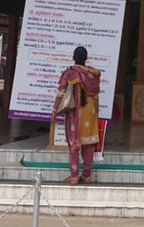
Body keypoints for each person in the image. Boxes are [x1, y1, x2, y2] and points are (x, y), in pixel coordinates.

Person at [54, 46, 101, 184]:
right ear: (86, 58)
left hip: (77, 112)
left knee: (74, 142)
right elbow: (96, 95)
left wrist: (54, 110)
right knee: (89, 143)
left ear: (73, 57)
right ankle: (86, 175)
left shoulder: (71, 73)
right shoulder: (93, 74)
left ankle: (74, 176)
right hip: (90, 111)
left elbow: (61, 93)